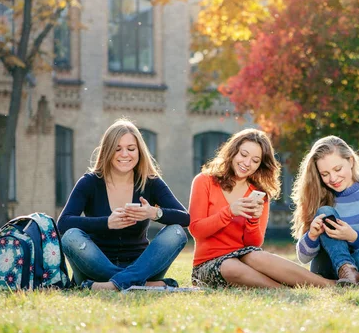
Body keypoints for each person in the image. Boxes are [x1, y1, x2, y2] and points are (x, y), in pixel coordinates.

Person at [189, 128, 334, 288]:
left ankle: (328, 285)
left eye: (255, 160)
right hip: (207, 263)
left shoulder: (259, 194)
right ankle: (282, 290)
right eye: (243, 155)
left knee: (258, 256)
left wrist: (253, 220)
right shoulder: (204, 181)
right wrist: (229, 212)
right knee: (230, 266)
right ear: (233, 152)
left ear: (260, 165)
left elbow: (254, 244)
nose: (247, 163)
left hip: (244, 257)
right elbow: (196, 229)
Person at [57, 119, 190, 291]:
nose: (125, 154)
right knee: (71, 237)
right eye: (117, 149)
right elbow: (64, 223)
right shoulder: (90, 182)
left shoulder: (150, 182)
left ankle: (110, 285)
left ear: (139, 151)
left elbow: (185, 218)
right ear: (107, 151)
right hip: (95, 265)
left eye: (131, 149)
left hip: (141, 265)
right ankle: (138, 284)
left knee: (176, 232)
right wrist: (107, 223)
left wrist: (153, 213)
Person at [290, 136, 359, 286]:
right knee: (325, 211)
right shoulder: (319, 195)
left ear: (351, 161)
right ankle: (346, 271)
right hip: (332, 267)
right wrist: (312, 235)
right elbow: (303, 257)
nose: (333, 178)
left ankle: (346, 273)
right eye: (325, 174)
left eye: (337, 169)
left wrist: (352, 236)